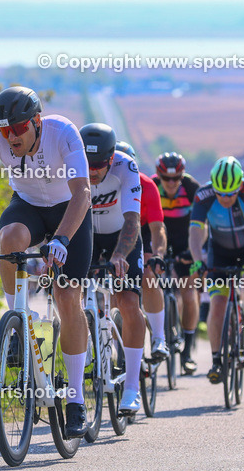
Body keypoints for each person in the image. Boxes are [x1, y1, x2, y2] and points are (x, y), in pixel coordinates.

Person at [0, 86, 93, 436]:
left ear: (36, 121)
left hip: (69, 211)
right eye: (4, 131)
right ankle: (19, 317)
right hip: (29, 206)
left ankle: (76, 399)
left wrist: (62, 238)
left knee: (66, 297)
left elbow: (82, 193)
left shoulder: (63, 132)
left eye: (17, 129)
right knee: (10, 239)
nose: (10, 137)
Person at [189, 156, 244, 383]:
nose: (225, 198)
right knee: (217, 304)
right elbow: (196, 232)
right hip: (220, 250)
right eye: (220, 193)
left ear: (240, 186)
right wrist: (197, 260)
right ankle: (216, 360)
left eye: (230, 194)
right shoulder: (203, 196)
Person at [84, 125, 145, 414]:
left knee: (129, 301)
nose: (93, 172)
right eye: (88, 165)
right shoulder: (69, 162)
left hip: (122, 235)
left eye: (99, 166)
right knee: (67, 292)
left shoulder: (126, 165)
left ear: (111, 158)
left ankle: (132, 388)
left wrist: (121, 255)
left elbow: (133, 220)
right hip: (87, 237)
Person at [116, 142, 170, 361]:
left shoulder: (147, 186)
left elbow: (157, 228)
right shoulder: (102, 183)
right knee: (111, 281)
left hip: (144, 230)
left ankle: (159, 338)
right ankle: (111, 343)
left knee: (148, 275)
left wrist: (157, 254)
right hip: (116, 231)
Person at [155, 151, 202, 373]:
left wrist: (196, 251)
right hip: (161, 238)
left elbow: (204, 222)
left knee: (189, 293)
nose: (172, 183)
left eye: (176, 178)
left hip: (187, 241)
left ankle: (187, 352)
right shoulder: (152, 186)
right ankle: (158, 339)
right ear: (159, 176)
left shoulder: (192, 188)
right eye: (167, 178)